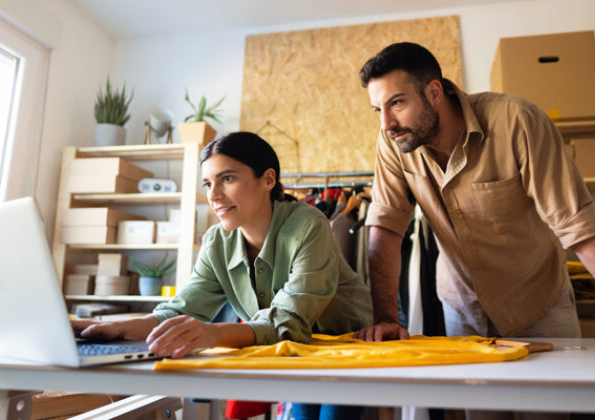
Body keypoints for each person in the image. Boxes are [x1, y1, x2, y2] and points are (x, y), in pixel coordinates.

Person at [353, 42, 595, 420]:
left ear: (434, 91)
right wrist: (387, 317)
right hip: (463, 312)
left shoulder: (517, 120)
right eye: (377, 109)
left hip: (538, 304)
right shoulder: (393, 142)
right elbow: (385, 229)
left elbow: (579, 228)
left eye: (396, 103)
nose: (385, 123)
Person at [72, 131, 372, 420]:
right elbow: (182, 309)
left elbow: (290, 320)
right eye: (207, 183)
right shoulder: (217, 241)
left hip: (347, 345)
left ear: (268, 179)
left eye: (227, 178)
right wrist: (115, 328)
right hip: (300, 350)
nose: (213, 195)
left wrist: (212, 333)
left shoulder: (308, 225)